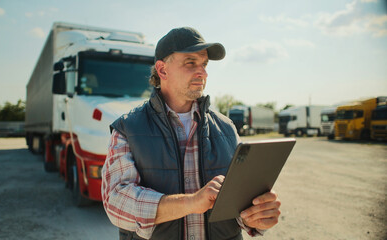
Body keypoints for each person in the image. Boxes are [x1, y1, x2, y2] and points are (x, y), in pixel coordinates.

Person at [102, 27, 281, 240]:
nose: (203, 72)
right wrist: (191, 202)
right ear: (162, 70)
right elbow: (116, 202)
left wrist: (255, 216)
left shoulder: (227, 128)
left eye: (204, 64)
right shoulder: (128, 128)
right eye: (190, 63)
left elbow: (239, 202)